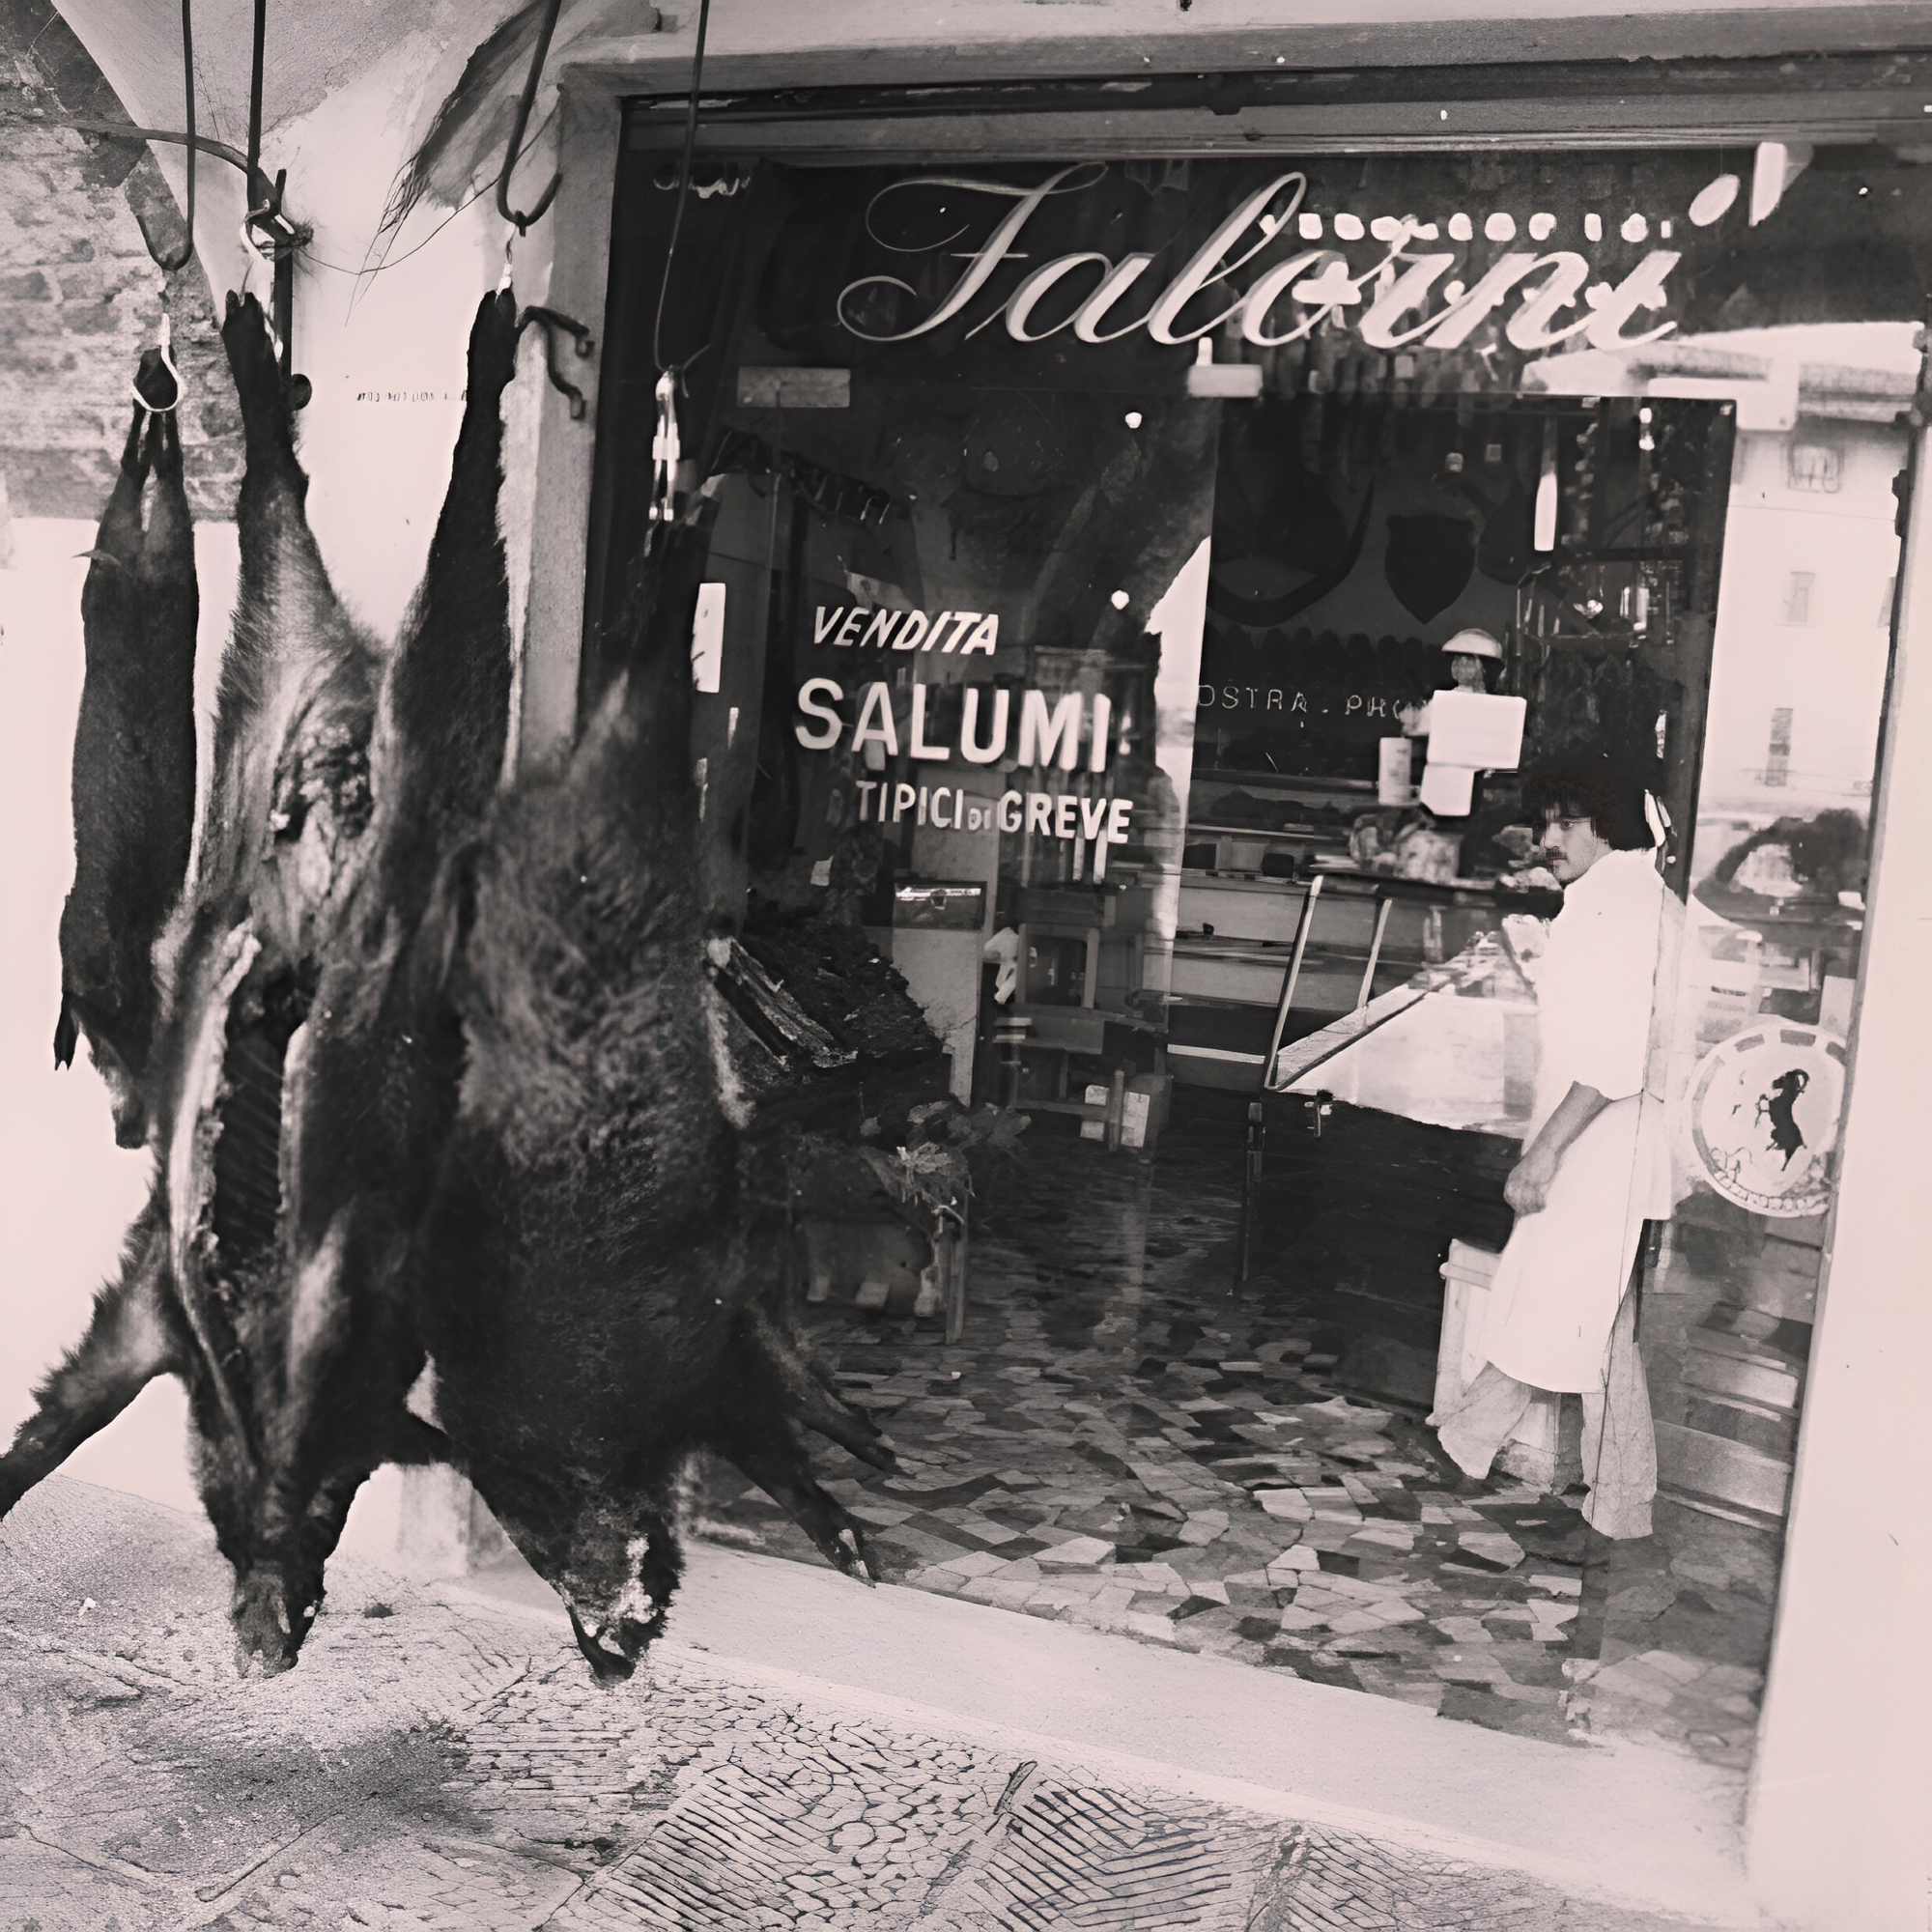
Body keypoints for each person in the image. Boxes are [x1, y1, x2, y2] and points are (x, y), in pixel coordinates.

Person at [1430, 750, 1679, 1539]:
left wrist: (1544, 1153)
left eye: (1567, 825)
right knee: (1584, 1311)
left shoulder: (1620, 910)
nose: (1550, 840)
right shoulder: (1618, 897)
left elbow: (1612, 1062)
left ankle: (1615, 1500)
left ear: (1606, 827)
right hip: (1599, 1139)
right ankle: (1476, 1444)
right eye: (1546, 824)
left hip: (1599, 1144)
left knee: (1582, 1311)